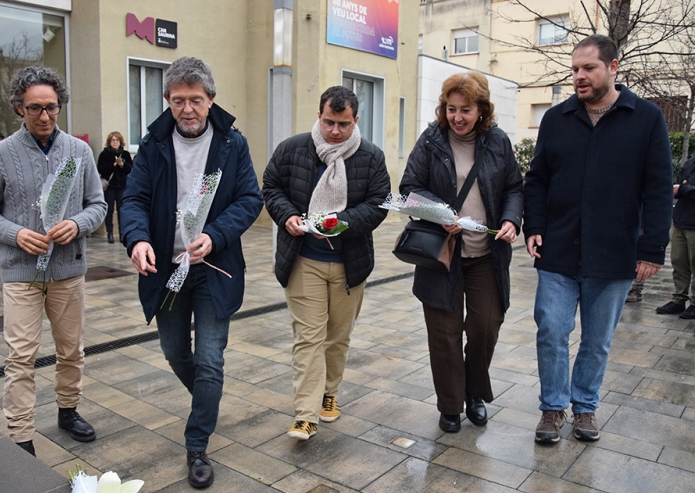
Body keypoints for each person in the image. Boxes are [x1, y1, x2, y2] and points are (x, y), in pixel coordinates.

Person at [120, 57, 262, 489]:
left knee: (210, 360)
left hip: (213, 267)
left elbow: (249, 199)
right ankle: (207, 399)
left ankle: (197, 444)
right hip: (169, 269)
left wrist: (216, 234)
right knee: (174, 351)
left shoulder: (231, 144)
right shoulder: (153, 144)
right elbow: (133, 199)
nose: (187, 109)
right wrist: (137, 239)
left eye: (195, 100)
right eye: (178, 100)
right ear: (167, 100)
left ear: (210, 99)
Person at [524, 35, 672, 444]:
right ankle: (553, 408)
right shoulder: (557, 118)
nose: (579, 76)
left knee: (597, 340)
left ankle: (584, 408)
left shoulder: (646, 117)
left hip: (615, 252)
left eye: (589, 68)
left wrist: (651, 247)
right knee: (551, 329)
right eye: (575, 69)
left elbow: (659, 187)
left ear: (613, 67)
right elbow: (537, 179)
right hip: (558, 248)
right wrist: (533, 225)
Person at [0, 66, 107, 457]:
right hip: (20, 273)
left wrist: (77, 224)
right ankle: (21, 436)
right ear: (19, 108)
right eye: (35, 108)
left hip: (68, 271)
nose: (45, 116)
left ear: (60, 105)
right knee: (20, 356)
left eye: (51, 107)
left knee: (71, 350)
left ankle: (68, 410)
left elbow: (97, 205)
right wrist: (15, 233)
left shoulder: (79, 152)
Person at [262, 86, 390, 441]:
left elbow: (380, 203)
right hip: (304, 259)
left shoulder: (371, 157)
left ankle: (329, 394)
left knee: (337, 337)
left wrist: (341, 222)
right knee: (308, 338)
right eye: (329, 122)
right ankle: (305, 413)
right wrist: (287, 215)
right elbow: (271, 187)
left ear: (356, 121)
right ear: (319, 116)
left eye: (343, 124)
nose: (335, 131)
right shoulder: (293, 149)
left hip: (351, 263)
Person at [399, 72, 523, 433]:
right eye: (451, 109)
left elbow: (515, 186)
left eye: (465, 110)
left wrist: (511, 219)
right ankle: (451, 405)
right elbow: (410, 188)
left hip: (487, 253)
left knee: (485, 327)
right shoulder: (431, 141)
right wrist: (442, 213)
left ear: (481, 110)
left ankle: (474, 393)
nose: (457, 117)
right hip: (441, 254)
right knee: (445, 333)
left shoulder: (498, 142)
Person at [655, 122, 695, 321]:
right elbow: (681, 182)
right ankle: (679, 298)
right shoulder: (693, 162)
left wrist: (687, 189)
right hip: (682, 220)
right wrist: (689, 188)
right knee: (679, 262)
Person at [97, 131, 132, 244]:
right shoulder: (105, 154)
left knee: (122, 210)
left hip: (122, 186)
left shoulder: (125, 154)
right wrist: (112, 165)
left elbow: (131, 169)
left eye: (117, 140)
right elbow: (100, 169)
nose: (115, 142)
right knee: (109, 210)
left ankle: (122, 234)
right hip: (110, 186)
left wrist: (122, 165)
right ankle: (110, 233)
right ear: (109, 142)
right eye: (113, 140)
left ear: (120, 141)